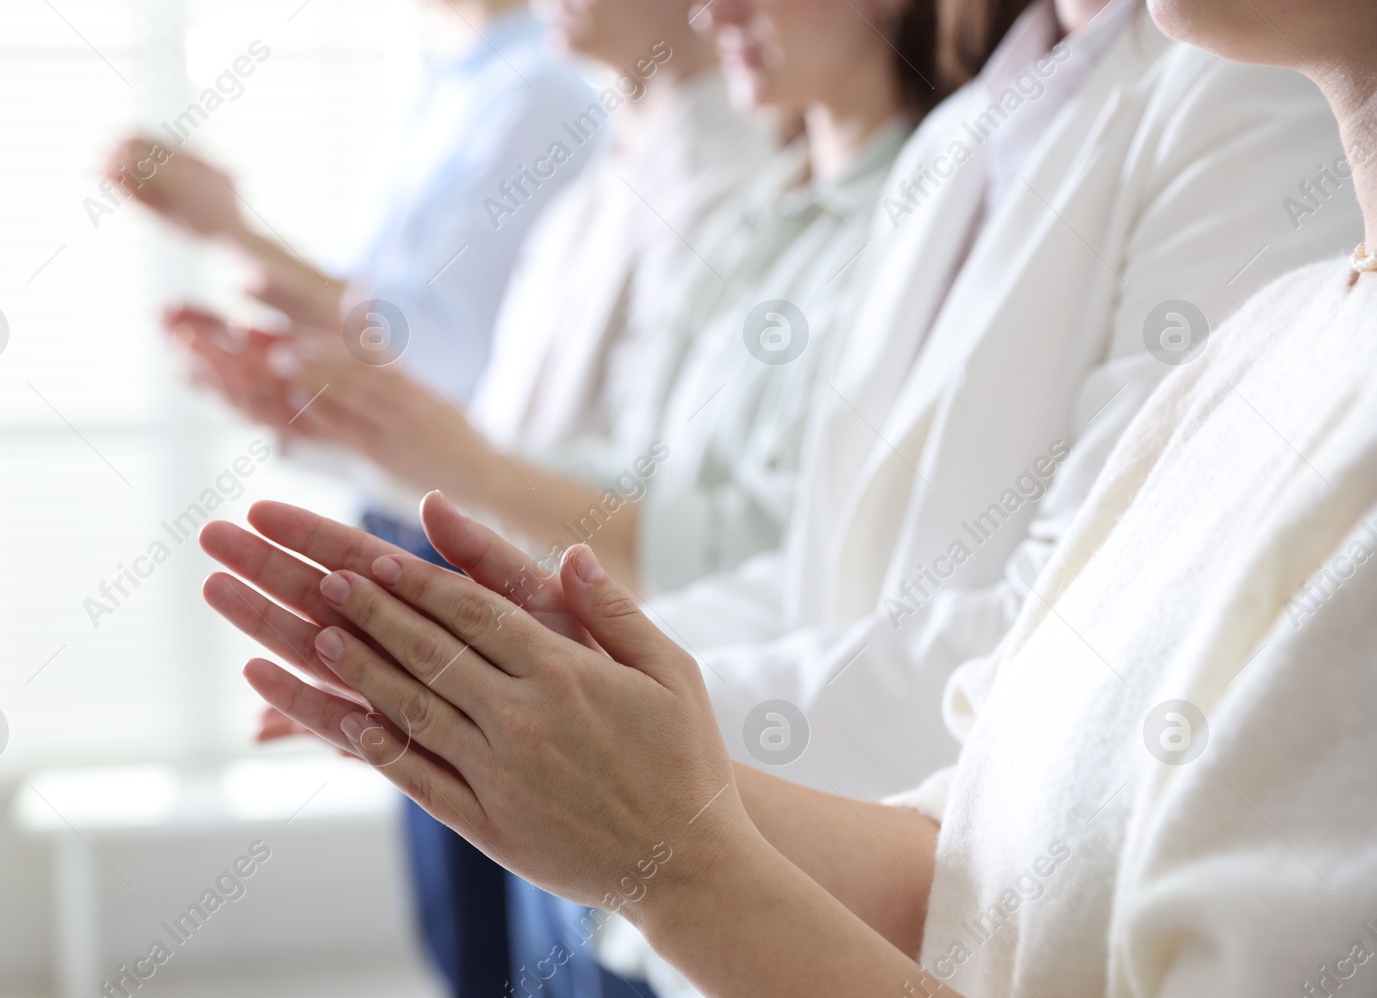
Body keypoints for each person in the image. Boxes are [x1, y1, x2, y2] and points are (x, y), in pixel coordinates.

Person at [198, 22, 1377, 998]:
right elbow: (990, 811)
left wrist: (673, 832)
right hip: (835, 858)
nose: (718, 17)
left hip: (823, 855)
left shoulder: (1218, 128)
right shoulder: (1269, 321)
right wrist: (590, 743)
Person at [116, 8, 595, 998]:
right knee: (459, 938)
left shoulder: (544, 94)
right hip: (409, 509)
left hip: (466, 527)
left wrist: (233, 231)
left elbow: (438, 357)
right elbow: (384, 341)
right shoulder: (447, 83)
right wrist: (283, 373)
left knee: (504, 962)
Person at [247, 0, 939, 597]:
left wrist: (474, 475)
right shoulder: (749, 210)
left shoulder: (872, 215)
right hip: (580, 605)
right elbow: (621, 465)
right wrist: (383, 438)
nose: (715, 10)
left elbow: (759, 554)